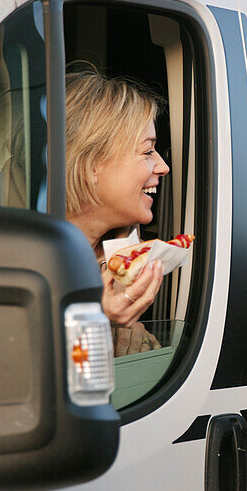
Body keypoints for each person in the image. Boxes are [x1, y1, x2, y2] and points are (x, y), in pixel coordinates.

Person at [65, 66, 170, 354]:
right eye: (148, 151)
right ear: (91, 165)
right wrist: (95, 320)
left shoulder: (120, 250)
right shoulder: (10, 252)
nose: (162, 167)